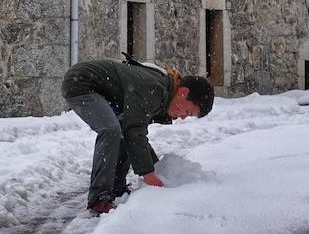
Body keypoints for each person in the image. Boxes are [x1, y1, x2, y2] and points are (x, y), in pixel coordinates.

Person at [63, 54, 216, 215]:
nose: (183, 117)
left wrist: (158, 170)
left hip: (96, 87)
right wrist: (149, 174)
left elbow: (137, 136)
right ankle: (98, 200)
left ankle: (117, 189)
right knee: (111, 130)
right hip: (81, 82)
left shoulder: (162, 92)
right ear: (183, 92)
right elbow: (134, 131)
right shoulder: (155, 89)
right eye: (187, 111)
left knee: (124, 131)